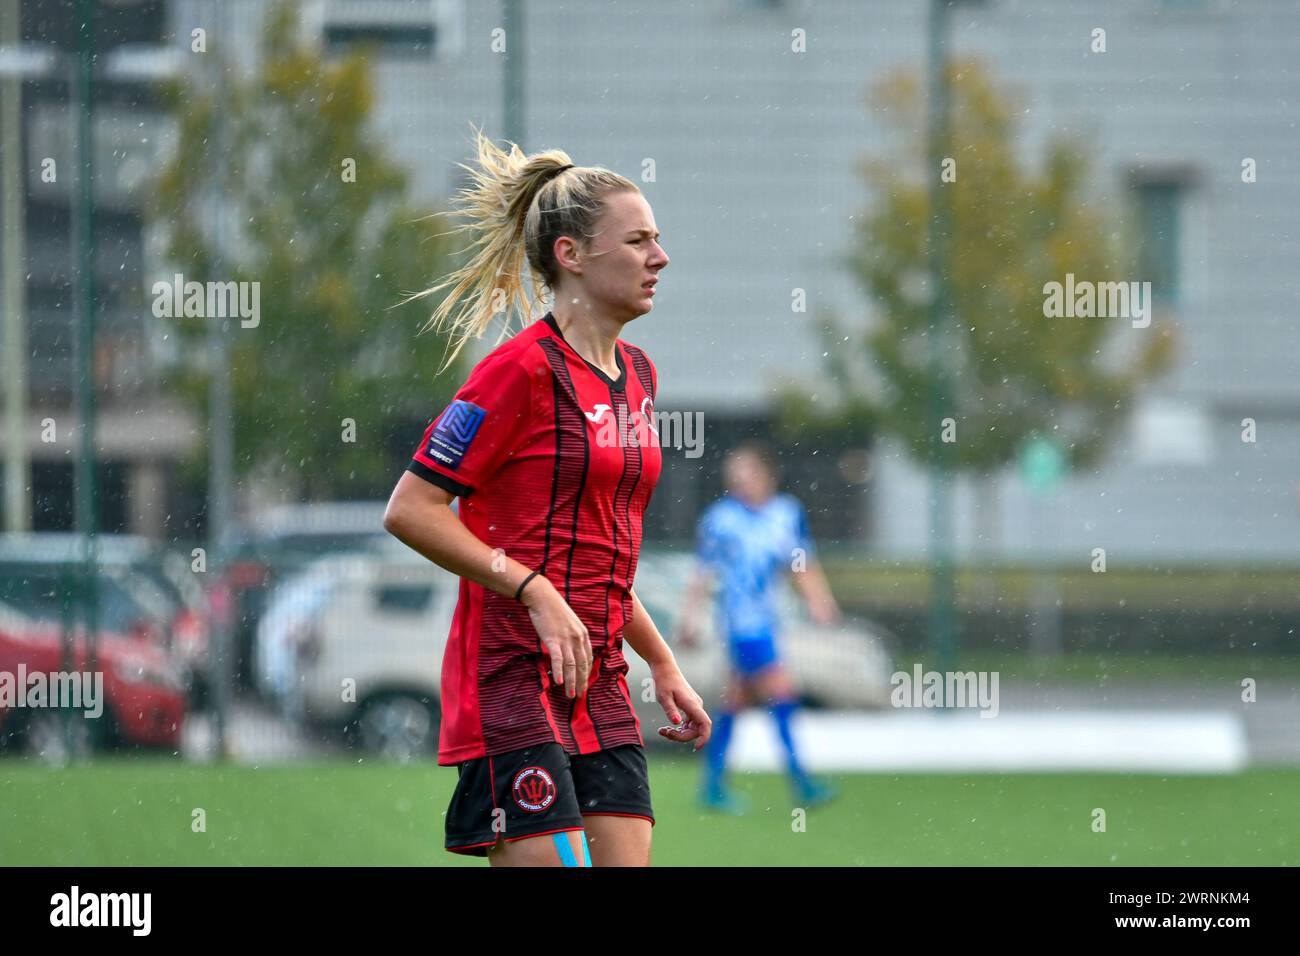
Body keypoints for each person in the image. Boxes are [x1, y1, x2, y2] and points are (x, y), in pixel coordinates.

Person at [383, 127, 709, 867]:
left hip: (601, 679)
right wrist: (531, 589)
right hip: (510, 676)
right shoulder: (517, 372)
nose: (659, 258)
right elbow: (409, 508)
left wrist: (661, 664)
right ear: (571, 255)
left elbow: (600, 557)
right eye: (638, 241)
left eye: (656, 240)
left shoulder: (640, 376)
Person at [677, 441, 840, 813]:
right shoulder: (721, 519)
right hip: (741, 624)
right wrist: (689, 618)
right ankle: (802, 782)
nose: (737, 479)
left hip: (768, 621)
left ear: (767, 475)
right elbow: (702, 574)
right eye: (733, 473)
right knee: (781, 693)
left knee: (735, 700)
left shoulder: (786, 513)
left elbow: (801, 562)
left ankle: (713, 786)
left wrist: (820, 602)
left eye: (746, 471)